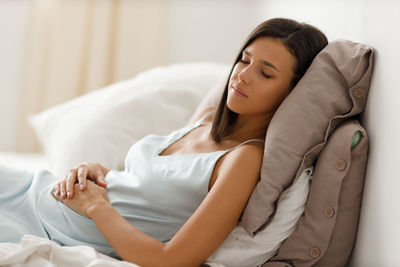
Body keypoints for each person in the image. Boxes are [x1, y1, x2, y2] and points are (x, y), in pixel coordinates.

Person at [0, 18, 327, 267]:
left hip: (44, 225)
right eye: (244, 60)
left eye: (265, 73)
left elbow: (172, 260)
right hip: (36, 191)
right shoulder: (207, 118)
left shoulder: (243, 160)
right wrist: (97, 171)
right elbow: (141, 185)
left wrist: (96, 207)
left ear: (291, 92)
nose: (242, 75)